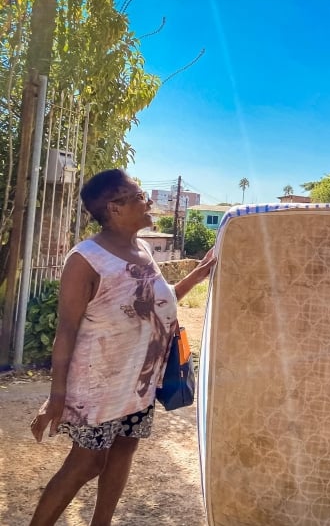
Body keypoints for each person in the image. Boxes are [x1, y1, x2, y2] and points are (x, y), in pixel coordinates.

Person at [28, 169, 215, 526]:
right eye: (139, 195)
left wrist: (199, 274)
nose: (147, 201)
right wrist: (56, 395)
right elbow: (66, 331)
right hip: (98, 386)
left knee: (124, 450)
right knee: (86, 463)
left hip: (138, 384)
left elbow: (159, 302)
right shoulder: (85, 259)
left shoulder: (142, 249)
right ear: (114, 207)